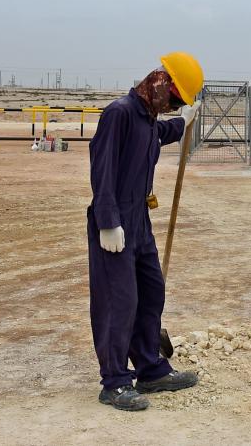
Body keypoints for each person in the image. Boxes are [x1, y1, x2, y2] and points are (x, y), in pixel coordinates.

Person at [87, 52, 204, 411]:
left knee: (151, 294)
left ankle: (151, 370)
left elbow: (158, 134)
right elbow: (102, 168)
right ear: (161, 84)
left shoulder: (149, 119)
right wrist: (108, 222)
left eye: (178, 104)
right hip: (115, 221)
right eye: (175, 100)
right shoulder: (119, 113)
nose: (173, 106)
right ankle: (115, 382)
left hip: (139, 220)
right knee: (118, 302)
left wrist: (183, 123)